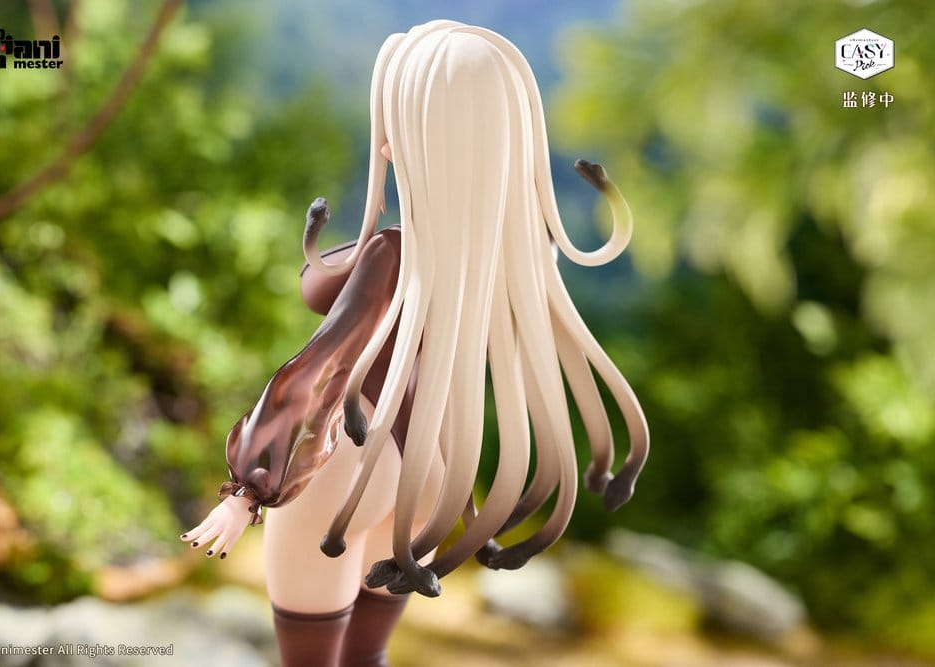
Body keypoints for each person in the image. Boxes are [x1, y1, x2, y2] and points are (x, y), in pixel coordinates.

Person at [181, 19, 649, 667]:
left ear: (410, 141)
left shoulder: (392, 255)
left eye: (394, 126)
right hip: (426, 474)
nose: (381, 143)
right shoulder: (513, 262)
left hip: (347, 463)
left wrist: (247, 489)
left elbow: (317, 366)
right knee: (367, 657)